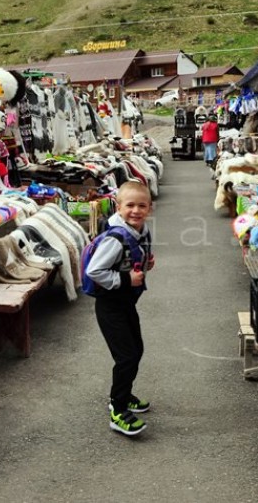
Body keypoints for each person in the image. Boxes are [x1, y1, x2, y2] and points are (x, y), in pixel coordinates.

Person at [86, 180, 155, 436]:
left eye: (142, 206)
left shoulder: (139, 230)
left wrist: (146, 261)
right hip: (110, 305)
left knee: (136, 350)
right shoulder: (116, 238)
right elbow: (94, 270)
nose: (135, 211)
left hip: (125, 303)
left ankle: (124, 395)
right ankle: (117, 409)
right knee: (126, 356)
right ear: (118, 206)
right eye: (130, 205)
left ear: (149, 207)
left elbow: (134, 255)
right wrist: (126, 279)